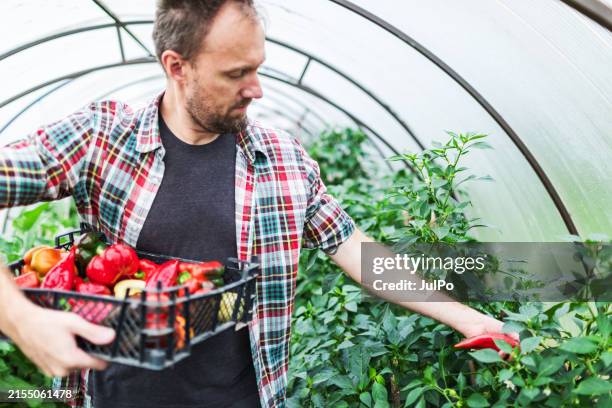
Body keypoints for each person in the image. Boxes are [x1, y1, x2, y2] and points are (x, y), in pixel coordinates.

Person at [0, 1, 513, 407]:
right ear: (177, 66)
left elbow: (355, 249)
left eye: (259, 67)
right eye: (236, 74)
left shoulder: (281, 161)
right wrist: (22, 320)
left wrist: (467, 317)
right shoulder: (103, 138)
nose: (257, 89)